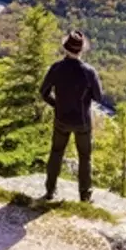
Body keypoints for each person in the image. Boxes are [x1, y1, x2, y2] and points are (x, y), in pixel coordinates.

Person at [39, 29, 103, 202]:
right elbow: (98, 97)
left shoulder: (56, 68)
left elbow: (43, 92)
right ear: (81, 50)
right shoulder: (89, 72)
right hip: (82, 121)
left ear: (65, 48)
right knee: (85, 157)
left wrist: (57, 105)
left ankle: (50, 191)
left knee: (56, 152)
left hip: (61, 119)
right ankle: (85, 196)